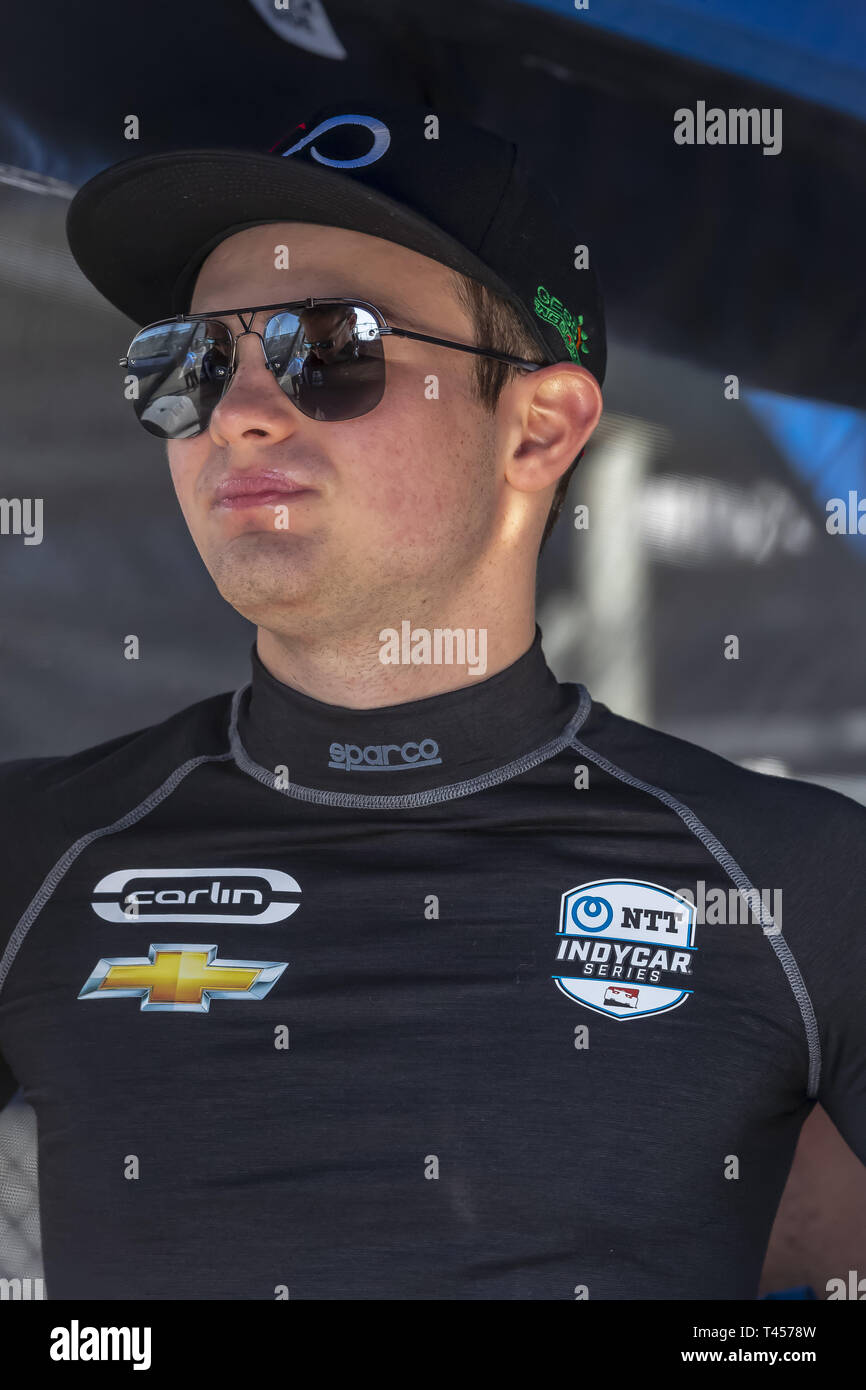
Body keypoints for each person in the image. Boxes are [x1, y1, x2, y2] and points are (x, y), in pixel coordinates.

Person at [0, 101, 863, 1302]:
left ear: (537, 428)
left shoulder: (799, 884)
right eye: (189, 364)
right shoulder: (30, 849)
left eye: (328, 345)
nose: (240, 410)